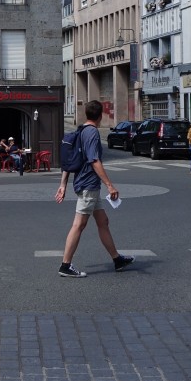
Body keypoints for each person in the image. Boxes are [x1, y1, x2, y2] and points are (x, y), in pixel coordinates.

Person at [54, 99, 133, 278]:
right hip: (88, 185)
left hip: (89, 185)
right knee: (79, 225)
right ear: (100, 115)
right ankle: (65, 265)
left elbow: (70, 160)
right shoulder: (92, 133)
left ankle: (117, 260)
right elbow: (94, 160)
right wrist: (110, 185)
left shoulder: (81, 130)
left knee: (103, 222)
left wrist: (63, 184)